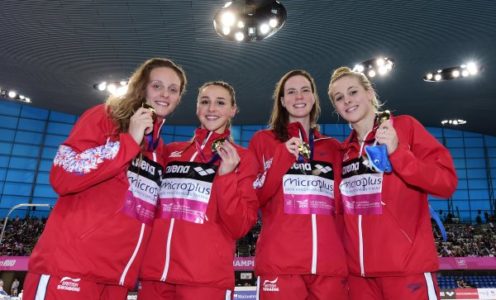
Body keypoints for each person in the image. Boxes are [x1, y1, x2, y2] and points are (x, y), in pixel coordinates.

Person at [23, 58, 187, 300]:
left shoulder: (158, 150)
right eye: (157, 86)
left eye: (173, 89)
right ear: (141, 87)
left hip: (117, 279)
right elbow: (63, 174)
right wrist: (129, 141)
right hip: (71, 268)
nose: (165, 94)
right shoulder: (105, 117)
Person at [328, 66, 458, 300]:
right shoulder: (343, 152)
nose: (347, 101)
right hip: (359, 277)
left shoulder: (405, 128)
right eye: (339, 98)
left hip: (405, 272)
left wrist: (398, 153)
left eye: (353, 92)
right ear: (336, 107)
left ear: (369, 93)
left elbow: (446, 183)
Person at [138, 81, 259, 299]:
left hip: (204, 280)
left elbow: (240, 225)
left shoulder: (243, 157)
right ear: (197, 108)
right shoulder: (171, 152)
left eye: (220, 102)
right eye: (205, 101)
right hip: (156, 276)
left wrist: (226, 177)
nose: (211, 108)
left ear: (233, 110)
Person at [249, 70, 348, 300]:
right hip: (280, 265)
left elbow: (343, 205)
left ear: (314, 98)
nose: (299, 96)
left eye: (305, 90)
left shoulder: (332, 147)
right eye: (291, 92)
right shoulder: (263, 141)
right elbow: (256, 196)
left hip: (328, 267)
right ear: (282, 101)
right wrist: (282, 157)